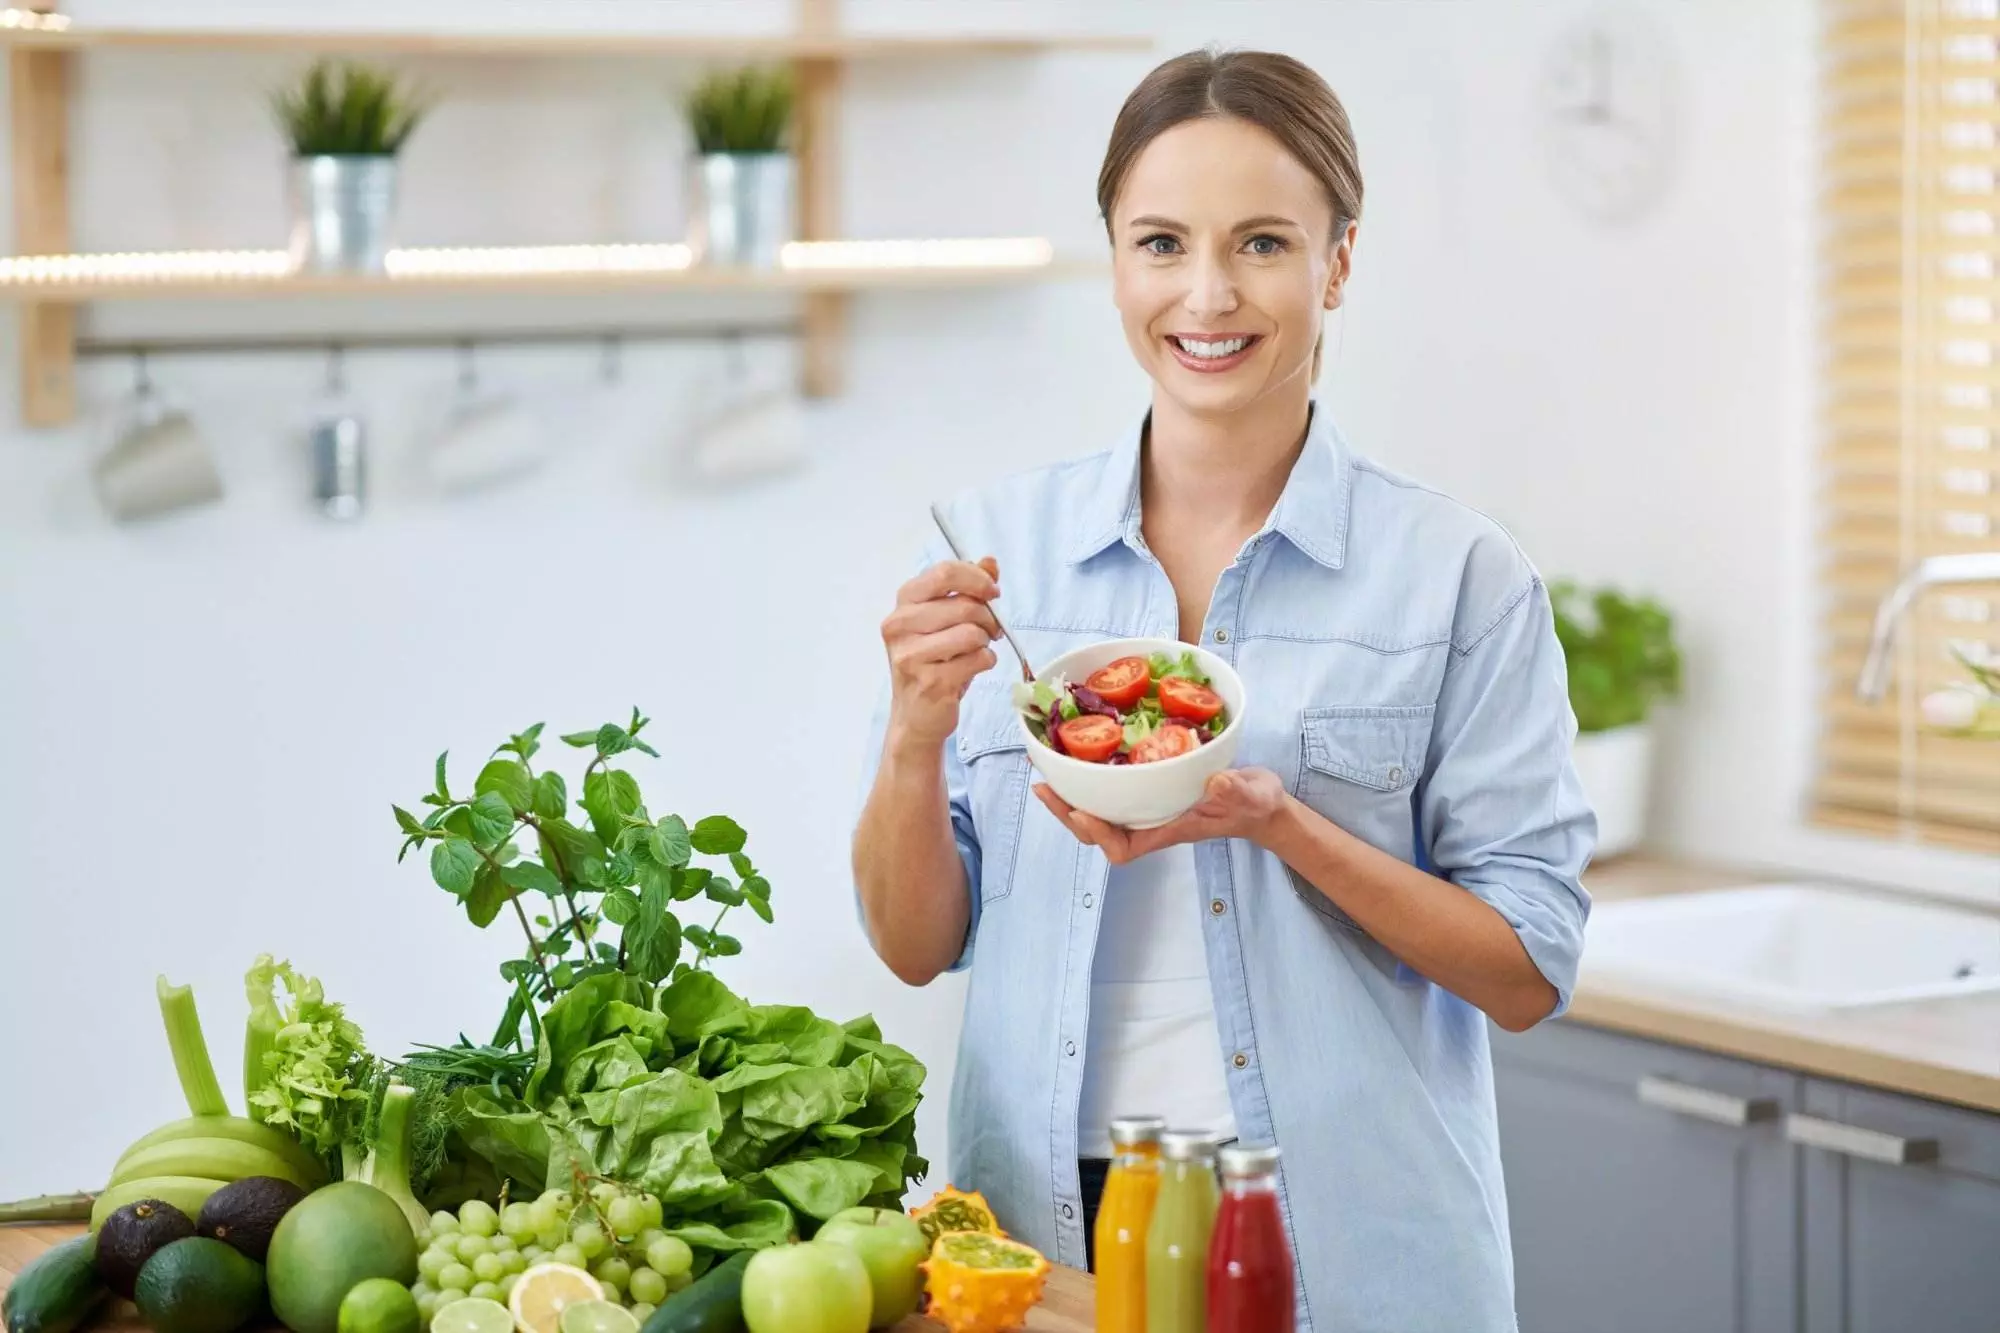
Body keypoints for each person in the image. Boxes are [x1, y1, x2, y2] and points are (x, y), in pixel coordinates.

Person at [852, 47, 1593, 1333]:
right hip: (1047, 1240)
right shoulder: (995, 557)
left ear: (1337, 263)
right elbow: (915, 945)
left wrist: (1278, 823)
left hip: (1354, 1242)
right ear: (1114, 263)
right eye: (1158, 243)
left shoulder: (1456, 578)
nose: (1205, 294)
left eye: (1260, 243)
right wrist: (915, 739)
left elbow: (1528, 969)